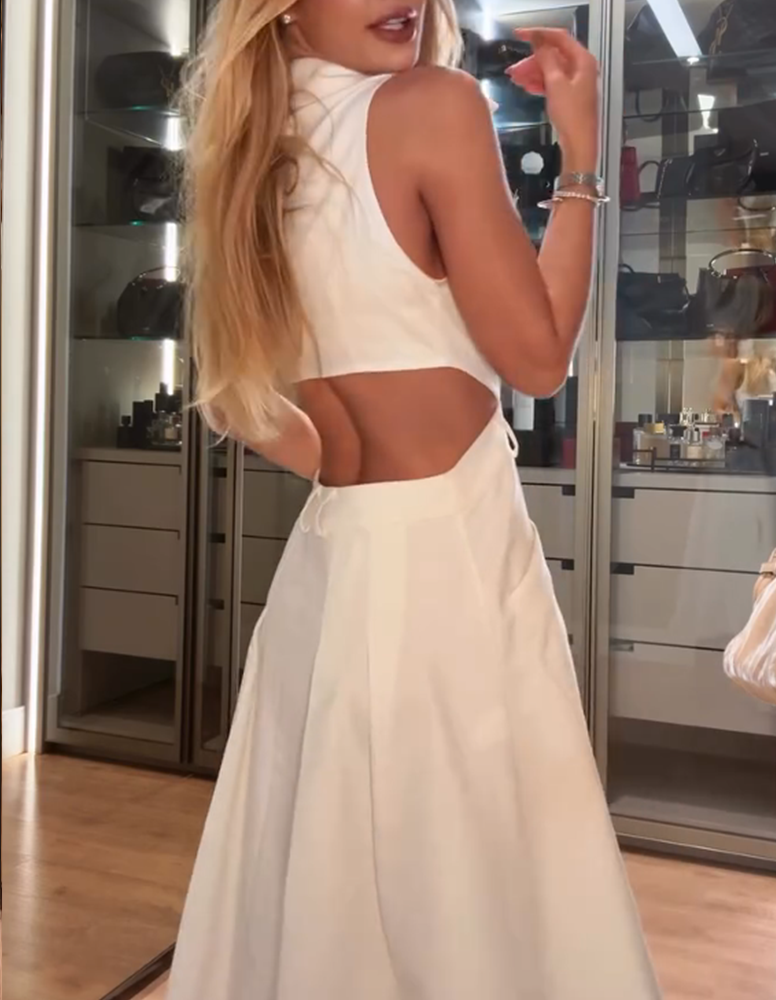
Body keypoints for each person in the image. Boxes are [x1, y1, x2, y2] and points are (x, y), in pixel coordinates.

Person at [169, 3, 662, 998]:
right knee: (480, 898)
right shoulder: (431, 104)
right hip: (446, 558)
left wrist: (346, 454)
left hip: (331, 562)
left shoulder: (251, 152)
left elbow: (233, 402)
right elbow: (536, 357)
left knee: (322, 899)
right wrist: (579, 159)